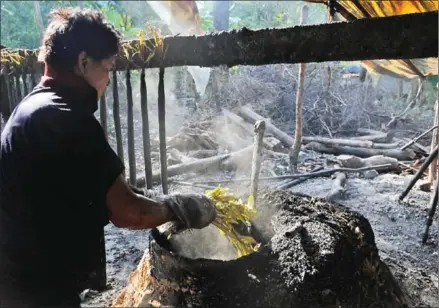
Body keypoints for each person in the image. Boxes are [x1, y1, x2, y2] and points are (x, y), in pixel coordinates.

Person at [0, 7, 216, 308]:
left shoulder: (33, 108)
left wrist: (150, 199)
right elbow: (129, 213)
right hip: (36, 291)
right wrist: (181, 208)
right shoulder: (68, 118)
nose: (109, 80)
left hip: (16, 282)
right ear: (83, 61)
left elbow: (89, 189)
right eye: (109, 67)